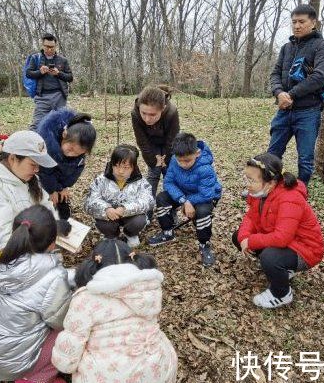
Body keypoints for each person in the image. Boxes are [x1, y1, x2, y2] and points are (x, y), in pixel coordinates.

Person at [0, 205, 72, 383]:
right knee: (72, 330)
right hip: (14, 363)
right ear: (52, 243)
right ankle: (36, 379)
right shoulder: (52, 277)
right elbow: (61, 321)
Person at [51, 239, 177, 383]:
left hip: (108, 375)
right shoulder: (149, 287)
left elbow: (67, 357)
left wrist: (64, 364)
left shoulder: (85, 298)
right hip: (157, 367)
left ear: (93, 265)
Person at [233, 153, 324, 308]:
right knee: (238, 236)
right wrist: (244, 238)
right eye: (246, 178)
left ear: (271, 182)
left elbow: (282, 237)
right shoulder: (259, 193)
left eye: (252, 180)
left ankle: (281, 293)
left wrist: (252, 241)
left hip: (305, 249)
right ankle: (281, 270)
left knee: (270, 257)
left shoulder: (290, 198)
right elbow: (250, 218)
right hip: (286, 240)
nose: (247, 184)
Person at [0, 130, 58, 265]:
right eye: (33, 164)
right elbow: (1, 240)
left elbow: (46, 206)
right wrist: (44, 241)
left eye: (39, 165)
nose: (37, 170)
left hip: (29, 245)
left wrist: (55, 229)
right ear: (12, 158)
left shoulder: (25, 176)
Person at [267, 4, 324, 185]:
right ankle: (268, 188)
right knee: (272, 153)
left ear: (313, 23)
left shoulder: (321, 46)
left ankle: (300, 193)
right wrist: (279, 93)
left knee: (305, 159)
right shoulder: (287, 47)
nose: (297, 26)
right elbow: (275, 74)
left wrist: (291, 95)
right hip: (284, 111)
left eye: (301, 22)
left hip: (308, 112)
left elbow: (321, 76)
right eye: (294, 22)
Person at [148, 132, 222, 267]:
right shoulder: (174, 162)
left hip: (205, 196)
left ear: (197, 153)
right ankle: (167, 232)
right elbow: (168, 183)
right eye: (179, 160)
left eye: (187, 160)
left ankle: (204, 244)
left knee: (203, 211)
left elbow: (206, 194)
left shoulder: (205, 168)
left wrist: (189, 201)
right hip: (184, 194)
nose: (183, 164)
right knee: (162, 198)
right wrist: (184, 200)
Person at [84, 144, 155, 248]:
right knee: (103, 222)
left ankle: (131, 234)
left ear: (133, 167)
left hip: (130, 216)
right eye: (117, 166)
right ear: (111, 164)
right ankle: (111, 236)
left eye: (126, 167)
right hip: (110, 217)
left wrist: (125, 209)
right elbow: (89, 202)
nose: (121, 171)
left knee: (139, 220)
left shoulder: (141, 182)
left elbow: (148, 201)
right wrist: (106, 209)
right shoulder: (101, 180)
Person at [37, 108, 97, 220]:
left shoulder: (79, 156)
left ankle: (63, 216)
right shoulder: (47, 145)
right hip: (42, 178)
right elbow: (45, 172)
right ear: (64, 135)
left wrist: (64, 187)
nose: (71, 154)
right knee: (47, 203)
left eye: (77, 153)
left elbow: (74, 172)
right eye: (70, 149)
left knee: (62, 205)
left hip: (59, 179)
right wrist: (52, 190)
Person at [131, 85, 180, 197]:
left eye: (152, 114)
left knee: (169, 173)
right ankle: (147, 209)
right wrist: (153, 160)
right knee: (154, 172)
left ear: (162, 109)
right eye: (144, 113)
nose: (147, 119)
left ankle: (168, 210)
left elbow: (172, 139)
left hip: (169, 143)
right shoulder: (135, 113)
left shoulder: (172, 111)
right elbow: (142, 140)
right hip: (151, 143)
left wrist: (166, 159)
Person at [27, 33, 74, 131]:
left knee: (61, 125)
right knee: (37, 124)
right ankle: (32, 144)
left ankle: (57, 145)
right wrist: (40, 72)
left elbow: (70, 77)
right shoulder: (35, 58)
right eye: (47, 47)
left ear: (55, 46)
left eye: (52, 47)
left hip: (59, 96)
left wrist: (58, 73)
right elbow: (28, 74)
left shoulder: (63, 60)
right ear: (42, 45)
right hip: (42, 96)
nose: (49, 49)